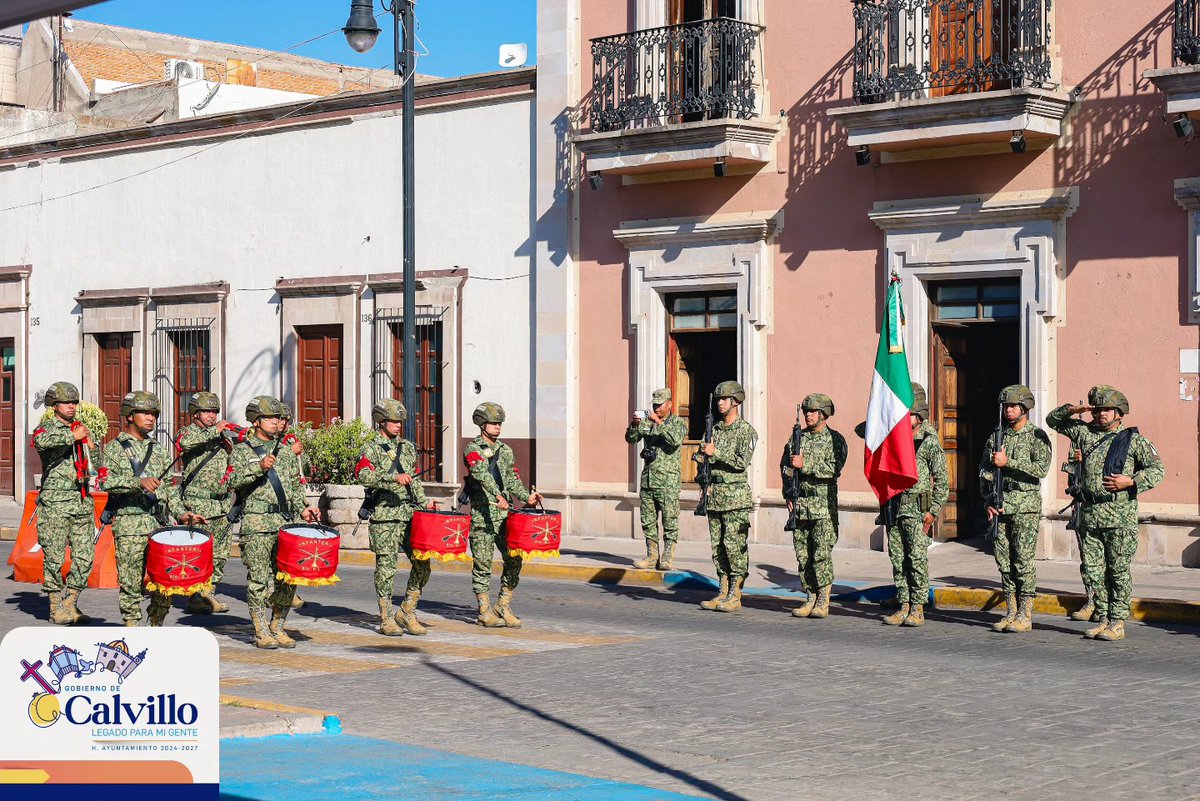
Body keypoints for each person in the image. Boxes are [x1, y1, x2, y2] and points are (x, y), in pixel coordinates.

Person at [1046, 386, 1164, 641]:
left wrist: (1131, 481)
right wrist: (1074, 410)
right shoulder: (1083, 433)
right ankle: (1102, 617)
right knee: (1093, 570)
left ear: (1119, 413)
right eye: (1098, 409)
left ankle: (1117, 621)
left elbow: (1158, 470)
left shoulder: (1133, 440)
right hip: (1089, 514)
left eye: (1107, 410)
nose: (1101, 414)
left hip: (1118, 516)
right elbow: (1052, 420)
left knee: (1117, 570)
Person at [101, 391, 203, 627]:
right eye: (145, 413)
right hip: (130, 524)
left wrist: (182, 513)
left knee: (165, 581)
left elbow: (168, 490)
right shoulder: (114, 449)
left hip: (159, 525)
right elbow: (105, 482)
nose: (151, 418)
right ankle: (132, 627)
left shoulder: (158, 450)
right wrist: (137, 482)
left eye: (154, 414)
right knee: (131, 583)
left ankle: (155, 625)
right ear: (129, 416)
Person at [228, 395, 319, 649]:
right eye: (269, 417)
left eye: (278, 417)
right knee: (258, 579)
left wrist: (304, 509)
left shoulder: (287, 453)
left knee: (288, 578)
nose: (275, 422)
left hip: (284, 523)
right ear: (256, 421)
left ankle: (277, 626)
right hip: (257, 523)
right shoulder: (243, 450)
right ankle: (260, 629)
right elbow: (231, 481)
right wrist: (258, 467)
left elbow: (295, 487)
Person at [356, 398, 436, 636]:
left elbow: (414, 480)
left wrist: (425, 502)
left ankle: (408, 609)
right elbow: (363, 475)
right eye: (393, 420)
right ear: (381, 421)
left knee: (423, 565)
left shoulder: (409, 448)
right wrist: (392, 478)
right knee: (386, 569)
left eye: (400, 421)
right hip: (385, 517)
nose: (398, 425)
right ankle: (386, 617)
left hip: (410, 515)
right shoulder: (370, 448)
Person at [978, 385, 1051, 633]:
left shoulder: (1037, 436)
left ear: (1025, 408)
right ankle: (1010, 610)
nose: (1009, 410)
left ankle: (1025, 614)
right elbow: (985, 471)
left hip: (1025, 506)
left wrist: (1010, 462)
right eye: (1006, 406)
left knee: (1023, 561)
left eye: (1013, 406)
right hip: (1000, 505)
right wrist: (988, 500)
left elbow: (1041, 469)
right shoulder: (997, 436)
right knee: (1004, 561)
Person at [463, 402, 540, 628]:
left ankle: (503, 605)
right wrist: (498, 496)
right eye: (493, 423)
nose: (498, 427)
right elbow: (482, 475)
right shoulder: (473, 449)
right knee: (483, 564)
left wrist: (527, 497)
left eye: (499, 424)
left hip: (505, 517)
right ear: (481, 424)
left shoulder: (506, 451)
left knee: (514, 558)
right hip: (483, 515)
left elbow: (512, 479)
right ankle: (484, 610)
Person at [879, 383, 948, 628]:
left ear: (919, 416)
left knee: (916, 559)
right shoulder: (891, 437)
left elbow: (942, 480)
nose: (902, 417)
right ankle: (904, 604)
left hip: (917, 510)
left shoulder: (928, 441)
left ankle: (917, 607)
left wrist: (934, 511)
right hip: (894, 507)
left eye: (907, 413)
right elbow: (863, 430)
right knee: (898, 559)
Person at [31, 381, 100, 625]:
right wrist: (73, 436)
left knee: (85, 556)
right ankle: (54, 607)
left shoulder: (80, 428)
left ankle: (70, 602)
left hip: (81, 500)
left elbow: (97, 463)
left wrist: (91, 444)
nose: (71, 407)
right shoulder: (46, 428)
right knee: (54, 557)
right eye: (65, 403)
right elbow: (42, 442)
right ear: (54, 405)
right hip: (56, 502)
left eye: (73, 403)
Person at [780, 393, 847, 619]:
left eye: (812, 412)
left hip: (822, 506)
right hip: (800, 504)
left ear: (823, 414)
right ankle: (809, 596)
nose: (808, 415)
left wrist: (806, 464)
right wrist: (788, 494)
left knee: (820, 554)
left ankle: (823, 599)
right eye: (806, 411)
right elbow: (785, 467)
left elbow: (833, 468)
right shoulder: (797, 438)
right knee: (803, 555)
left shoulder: (835, 440)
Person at [697, 380, 758, 613]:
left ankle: (735, 594)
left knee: (734, 547)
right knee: (718, 547)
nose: (720, 403)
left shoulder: (747, 431)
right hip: (715, 495)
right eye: (719, 399)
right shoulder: (713, 429)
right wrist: (700, 460)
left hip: (735, 498)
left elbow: (742, 462)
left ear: (736, 402)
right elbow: (703, 457)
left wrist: (716, 452)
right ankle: (722, 590)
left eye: (724, 399)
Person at [175, 391, 234, 614]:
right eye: (207, 411)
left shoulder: (221, 438)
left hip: (221, 505)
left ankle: (208, 593)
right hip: (198, 504)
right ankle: (195, 595)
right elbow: (183, 444)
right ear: (195, 413)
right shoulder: (187, 433)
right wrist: (214, 430)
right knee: (197, 553)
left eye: (214, 412)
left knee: (219, 554)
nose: (212, 415)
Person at [625, 388, 687, 570]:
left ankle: (667, 557)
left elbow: (675, 440)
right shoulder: (648, 422)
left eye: (660, 405)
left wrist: (659, 423)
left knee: (670, 521)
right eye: (654, 405)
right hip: (649, 480)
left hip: (668, 482)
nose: (657, 408)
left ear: (669, 404)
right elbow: (631, 439)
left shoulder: (677, 423)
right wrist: (635, 425)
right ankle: (652, 555)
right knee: (648, 520)